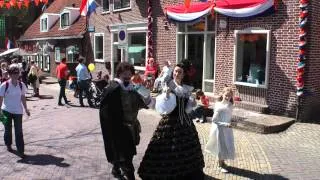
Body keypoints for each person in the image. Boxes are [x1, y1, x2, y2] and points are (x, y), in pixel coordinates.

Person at [138, 62, 205, 180]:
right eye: (175, 71)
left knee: (186, 150)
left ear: (183, 75)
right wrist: (147, 96)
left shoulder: (186, 89)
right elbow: (155, 105)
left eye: (180, 72)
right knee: (167, 149)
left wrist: (192, 103)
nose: (177, 73)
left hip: (185, 124)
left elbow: (188, 109)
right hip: (169, 123)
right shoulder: (166, 85)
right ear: (172, 72)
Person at [99, 62, 152, 180]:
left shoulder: (133, 89)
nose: (127, 76)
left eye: (129, 73)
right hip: (119, 130)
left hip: (132, 129)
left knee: (126, 155)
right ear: (119, 74)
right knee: (127, 159)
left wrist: (147, 97)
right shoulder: (113, 89)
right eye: (124, 73)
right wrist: (111, 130)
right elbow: (105, 112)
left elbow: (144, 104)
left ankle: (115, 169)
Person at [0, 64, 30, 158]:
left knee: (19, 132)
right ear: (10, 74)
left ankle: (21, 151)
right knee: (8, 130)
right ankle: (8, 144)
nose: (16, 75)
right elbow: (0, 99)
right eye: (14, 73)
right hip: (6, 111)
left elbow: (23, 97)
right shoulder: (4, 85)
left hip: (18, 111)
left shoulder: (22, 85)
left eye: (17, 73)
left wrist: (26, 108)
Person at [205, 87, 235, 173]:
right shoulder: (218, 105)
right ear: (222, 94)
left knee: (226, 144)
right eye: (226, 95)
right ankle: (219, 165)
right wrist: (225, 124)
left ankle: (222, 161)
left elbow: (228, 116)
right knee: (220, 146)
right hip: (219, 129)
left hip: (227, 129)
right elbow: (214, 120)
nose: (227, 97)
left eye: (229, 96)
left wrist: (229, 122)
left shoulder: (230, 105)